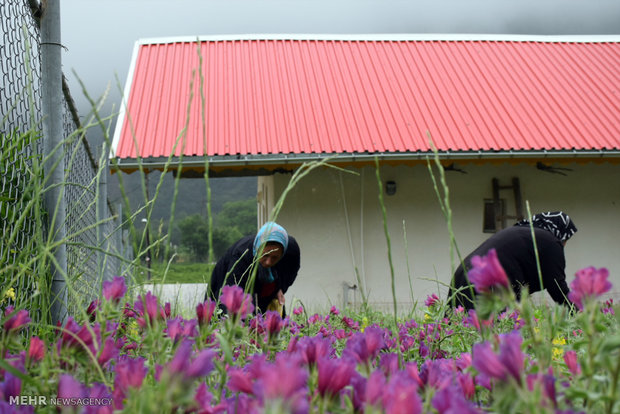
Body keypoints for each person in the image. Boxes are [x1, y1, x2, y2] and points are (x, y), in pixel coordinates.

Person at [449, 211, 577, 310]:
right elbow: (557, 287)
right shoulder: (551, 242)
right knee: (490, 337)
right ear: (561, 233)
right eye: (566, 239)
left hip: (464, 276)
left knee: (458, 329)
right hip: (487, 282)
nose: (564, 245)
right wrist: (580, 313)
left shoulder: (526, 234)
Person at [207, 221, 300, 316]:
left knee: (275, 324)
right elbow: (233, 295)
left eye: (275, 257)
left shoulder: (291, 250)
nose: (268, 262)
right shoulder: (241, 255)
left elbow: (291, 271)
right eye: (265, 255)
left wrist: (280, 288)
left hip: (267, 289)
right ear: (258, 249)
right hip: (231, 288)